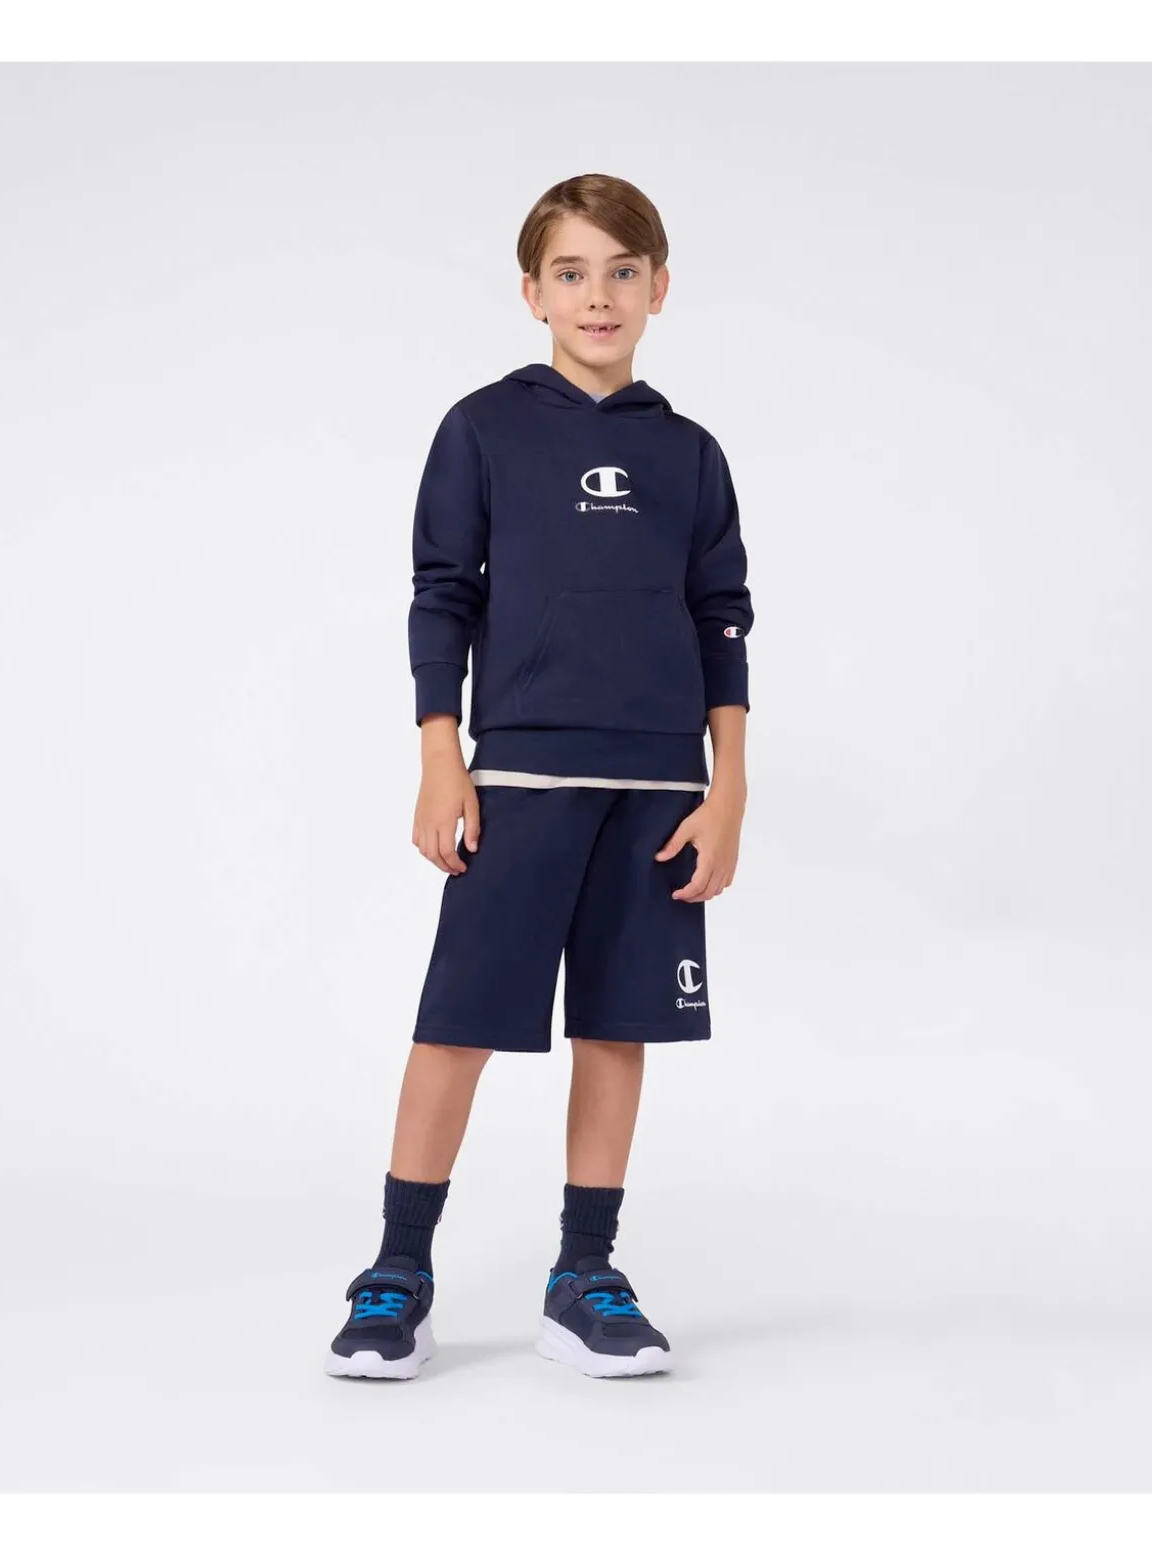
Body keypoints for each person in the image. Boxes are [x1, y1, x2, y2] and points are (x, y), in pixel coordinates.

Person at [324, 172, 753, 1381]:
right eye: (572, 272)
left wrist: (726, 788)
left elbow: (722, 617)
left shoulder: (689, 453)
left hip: (657, 790)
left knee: (618, 1027)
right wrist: (439, 756)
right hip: (515, 778)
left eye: (622, 272)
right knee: (458, 1021)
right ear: (532, 293)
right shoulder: (483, 429)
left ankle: (583, 1274)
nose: (597, 296)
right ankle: (397, 1270)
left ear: (658, 288)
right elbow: (442, 596)